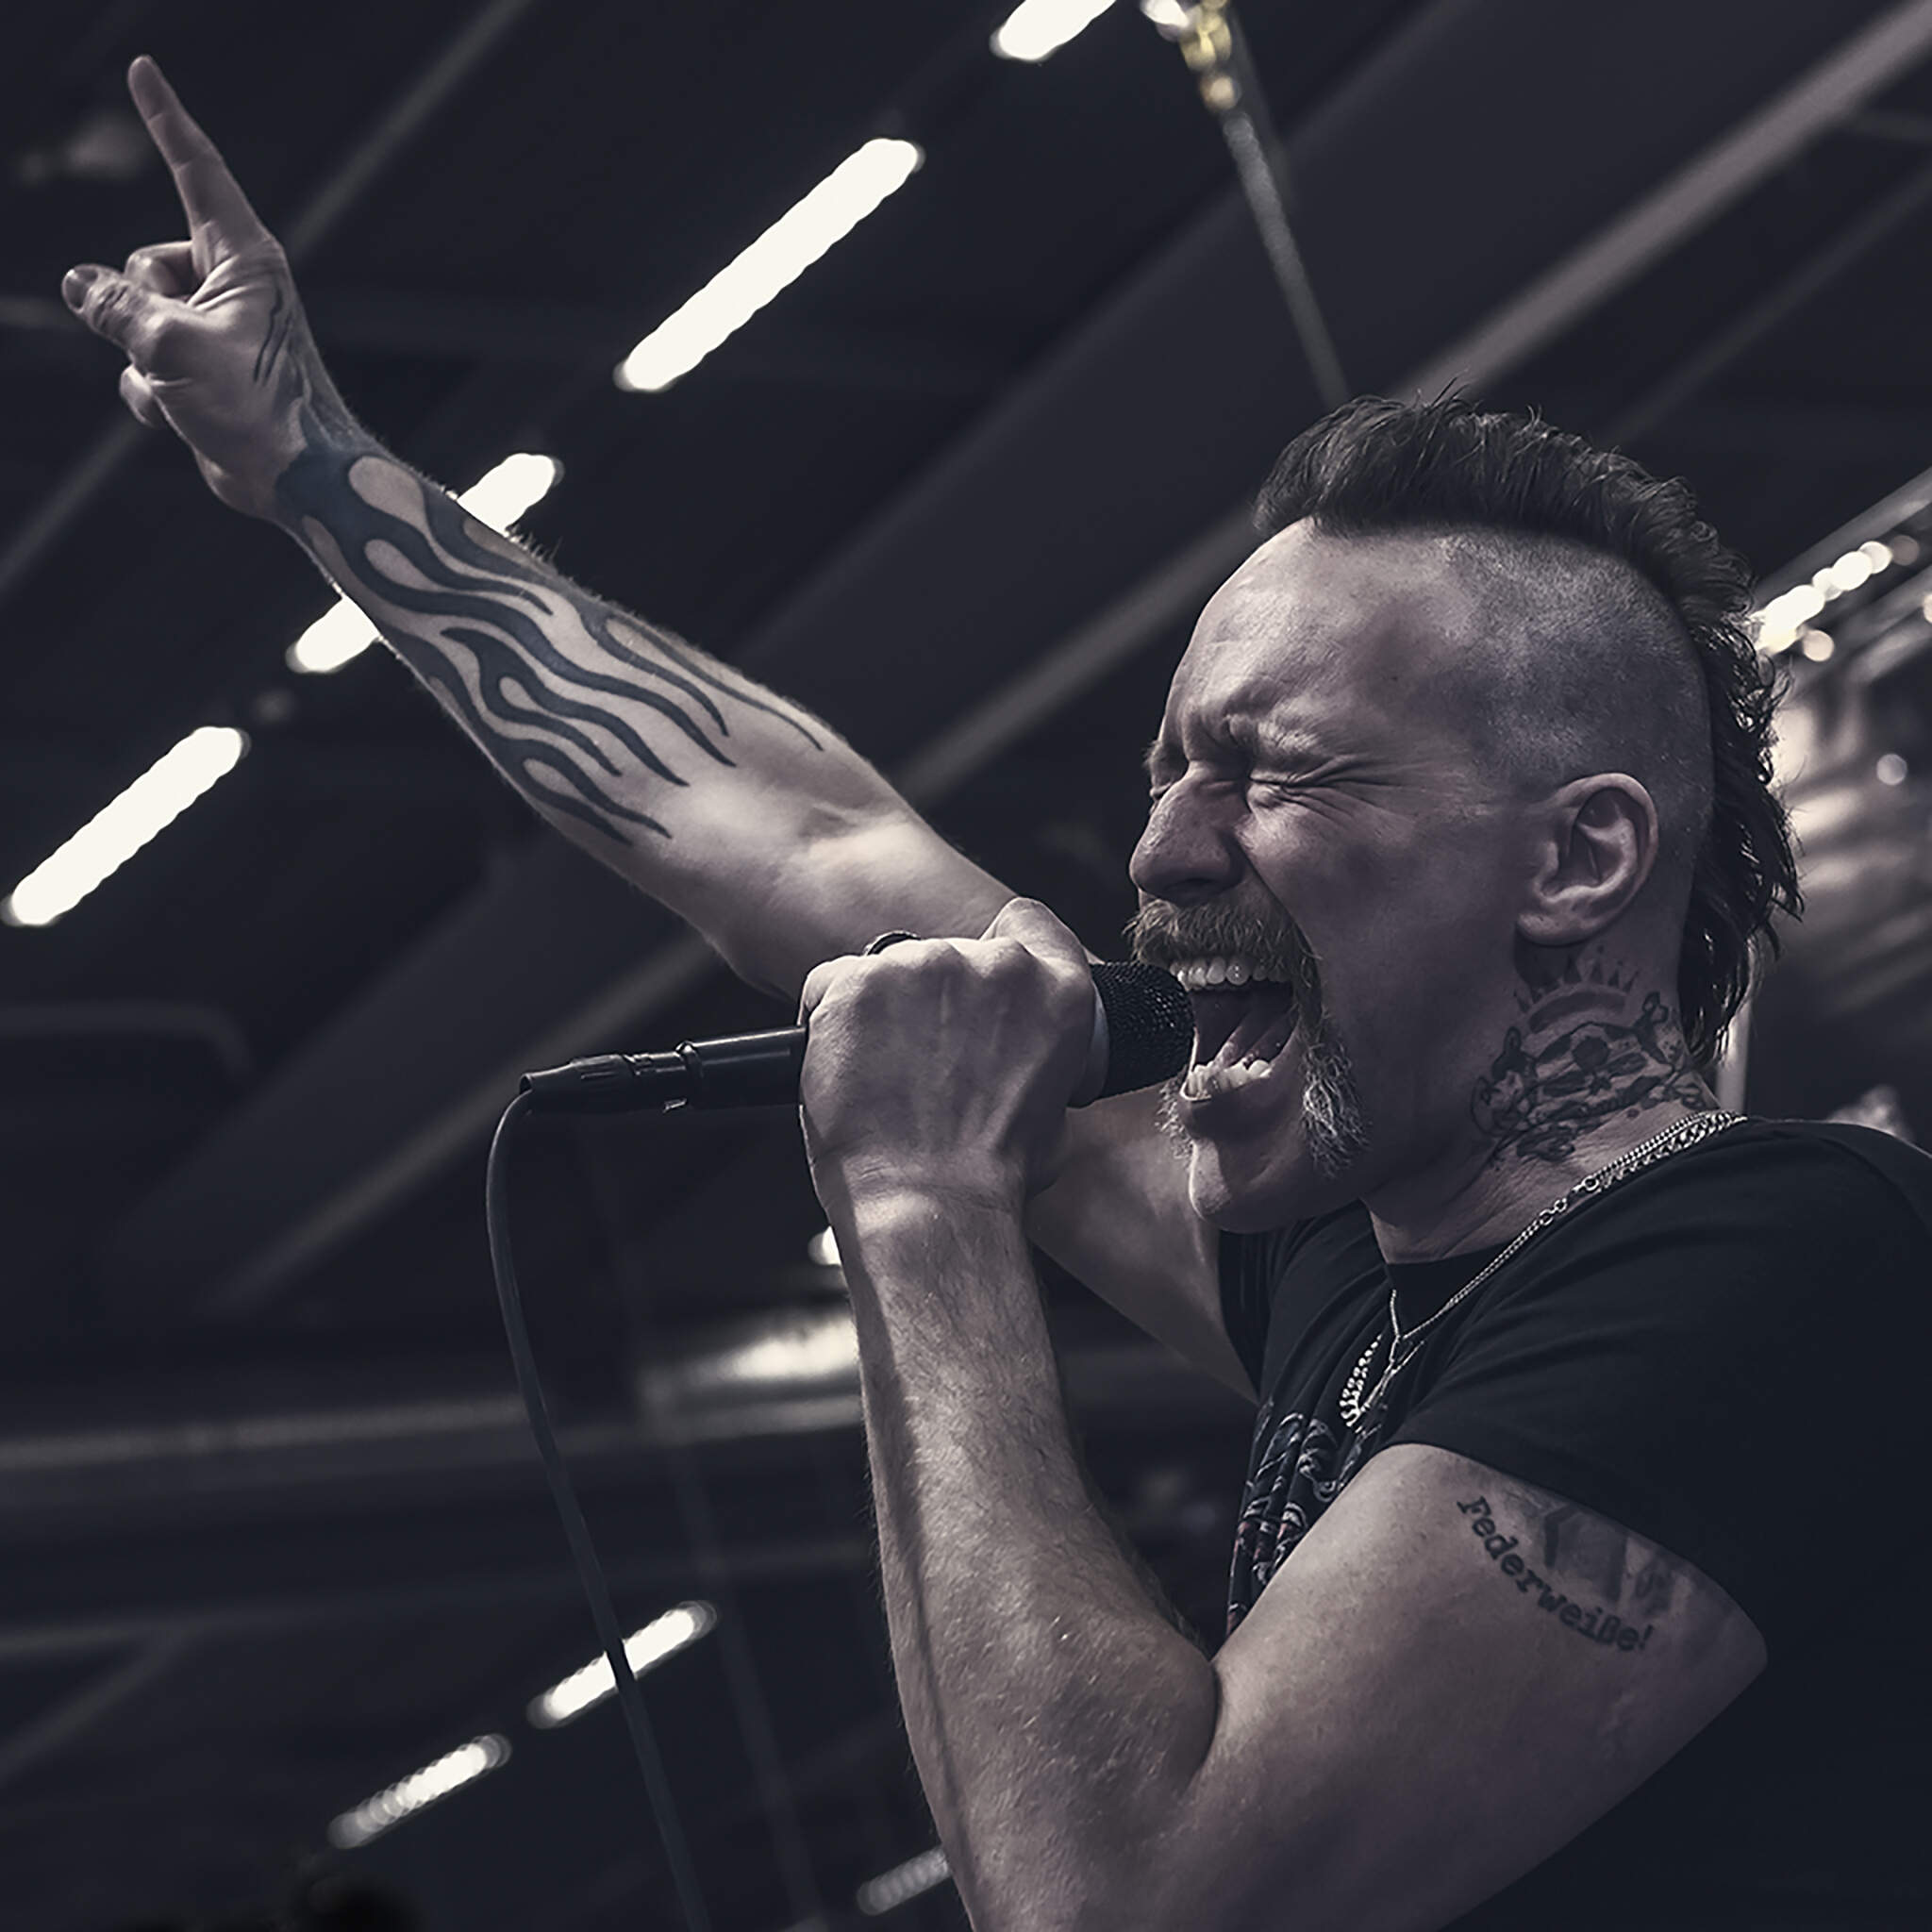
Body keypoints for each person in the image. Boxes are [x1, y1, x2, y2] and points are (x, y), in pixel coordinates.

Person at [63, 56, 1932, 1932]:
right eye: (1166, 775)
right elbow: (798, 835)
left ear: (1578, 858)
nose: (1161, 854)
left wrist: (921, 1199)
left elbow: (1120, 1906)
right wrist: (313, 465)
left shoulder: (1783, 1259)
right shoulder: (1354, 1269)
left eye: (1271, 774)